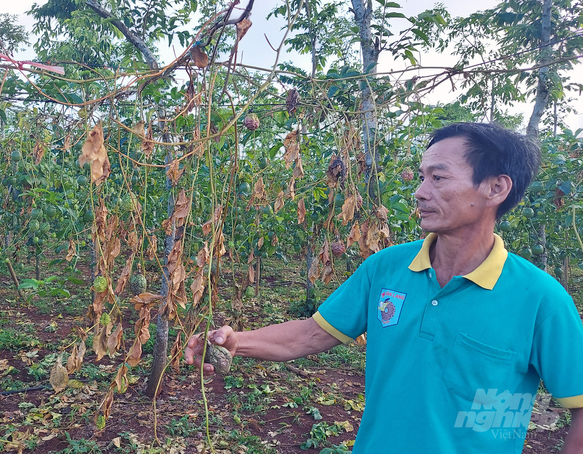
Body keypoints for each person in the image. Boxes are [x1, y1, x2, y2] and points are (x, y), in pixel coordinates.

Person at [185, 122, 583, 453]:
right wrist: (236, 341)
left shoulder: (541, 300)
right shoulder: (386, 269)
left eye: (439, 178)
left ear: (496, 188)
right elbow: (309, 334)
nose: (420, 191)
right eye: (423, 176)